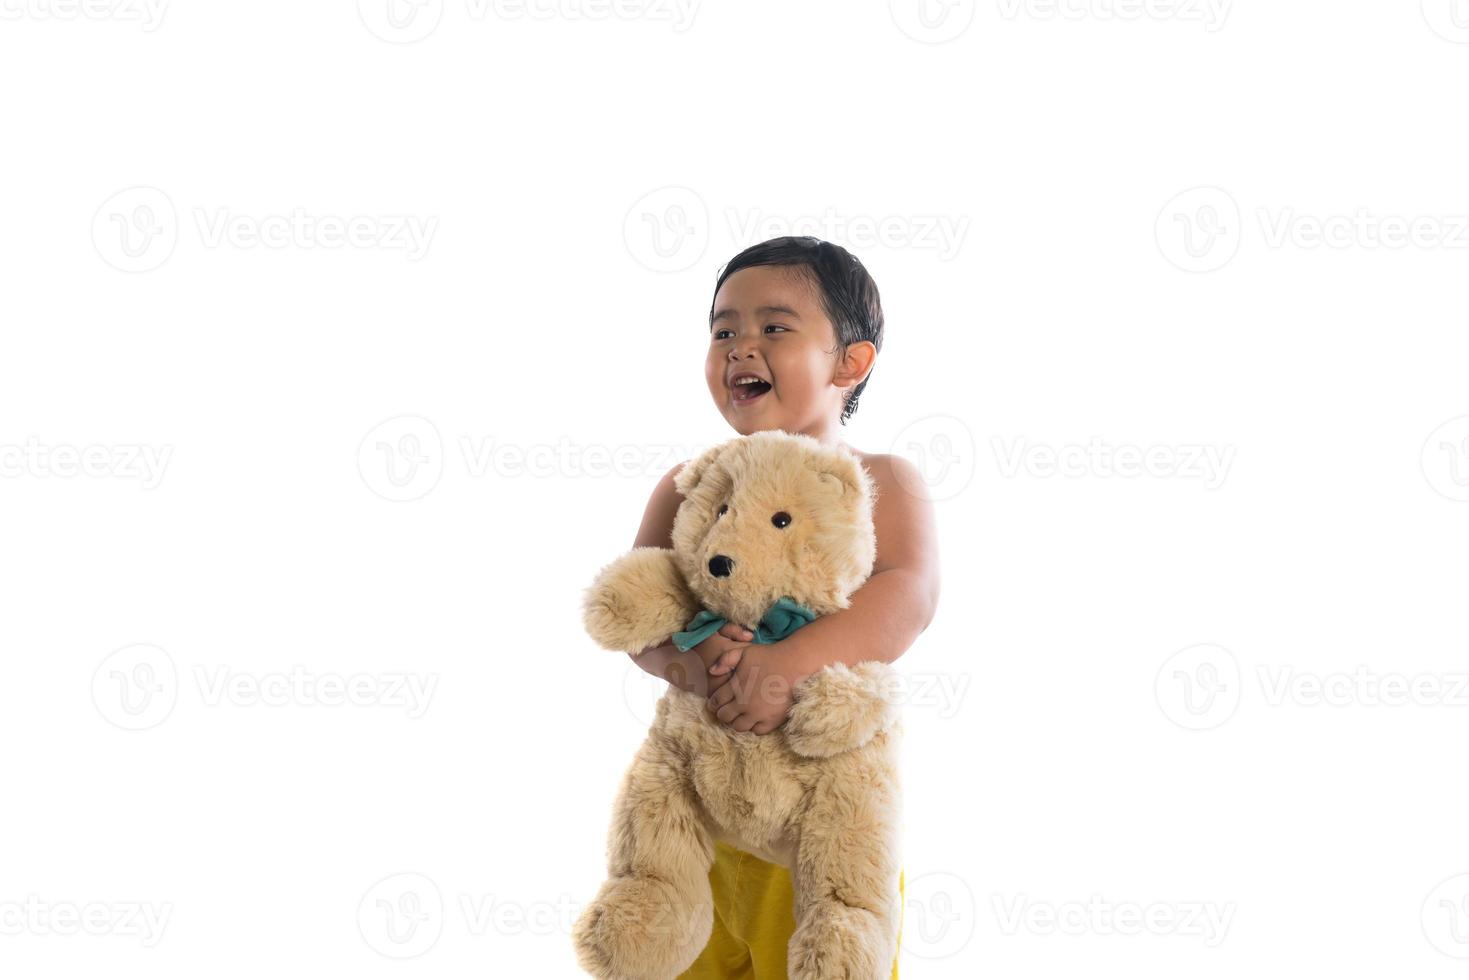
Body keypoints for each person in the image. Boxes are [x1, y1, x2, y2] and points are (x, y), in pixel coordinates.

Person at [626, 236, 941, 979]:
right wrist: (688, 660)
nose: (740, 347)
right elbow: (639, 611)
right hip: (695, 818)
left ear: (849, 363)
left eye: (773, 327)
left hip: (813, 824)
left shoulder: (881, 480)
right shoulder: (687, 485)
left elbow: (908, 595)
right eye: (723, 329)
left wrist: (784, 665)